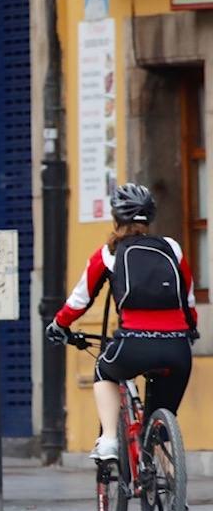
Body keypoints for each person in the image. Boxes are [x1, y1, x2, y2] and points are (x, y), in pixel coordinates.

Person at [46, 183, 196, 462]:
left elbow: (80, 300)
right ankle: (173, 492)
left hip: (133, 344)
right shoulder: (172, 248)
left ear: (116, 218)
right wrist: (190, 331)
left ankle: (109, 442)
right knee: (161, 425)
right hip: (178, 349)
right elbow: (187, 299)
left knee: (104, 369)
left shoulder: (109, 253)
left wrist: (59, 325)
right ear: (149, 218)